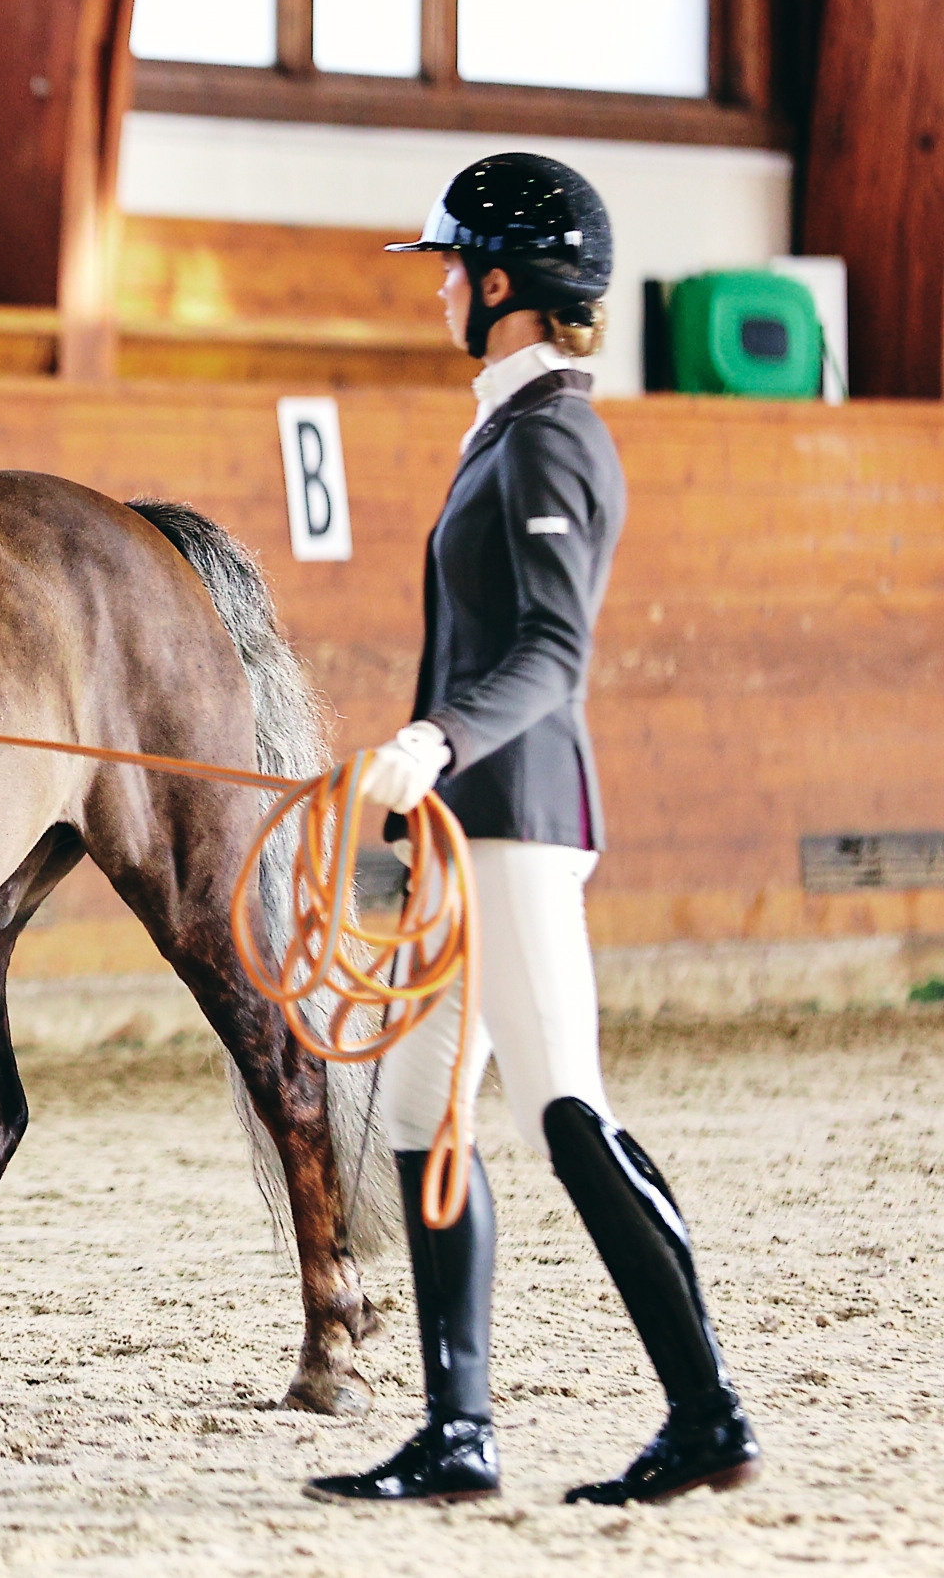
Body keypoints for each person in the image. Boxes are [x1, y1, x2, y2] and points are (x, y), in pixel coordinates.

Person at [305, 153, 762, 1508]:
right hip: (468, 826)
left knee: (567, 1109)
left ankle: (708, 1408)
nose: (441, 284)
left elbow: (555, 655)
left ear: (500, 284)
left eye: (454, 265)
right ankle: (459, 1429)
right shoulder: (508, 424)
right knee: (416, 1105)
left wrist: (433, 739)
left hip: (518, 820)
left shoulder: (553, 433)